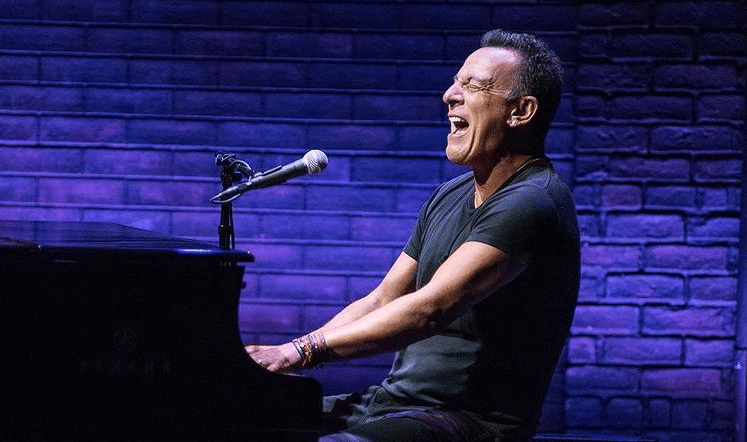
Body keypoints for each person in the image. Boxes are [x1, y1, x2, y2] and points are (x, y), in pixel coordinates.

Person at [245, 28, 580, 442]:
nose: (450, 95)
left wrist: (301, 351)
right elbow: (383, 299)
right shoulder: (449, 195)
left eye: (473, 85)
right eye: (456, 82)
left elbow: (430, 308)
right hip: (392, 403)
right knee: (242, 418)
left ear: (521, 111)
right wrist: (287, 353)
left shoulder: (533, 200)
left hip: (469, 422)